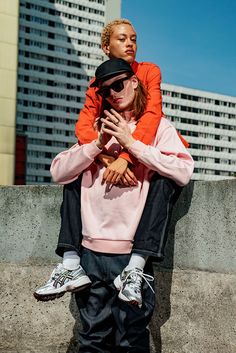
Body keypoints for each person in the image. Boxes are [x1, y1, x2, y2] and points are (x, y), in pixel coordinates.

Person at [34, 19, 189, 306]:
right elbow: (83, 128)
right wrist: (103, 154)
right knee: (75, 170)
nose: (130, 43)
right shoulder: (96, 88)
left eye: (133, 38)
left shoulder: (147, 72)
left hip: (141, 143)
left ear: (132, 83)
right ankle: (70, 263)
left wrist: (128, 157)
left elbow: (152, 114)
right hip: (109, 143)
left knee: (165, 178)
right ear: (106, 47)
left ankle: (137, 266)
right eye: (122, 39)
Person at [47, 58, 194, 353]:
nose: (113, 93)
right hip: (89, 255)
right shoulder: (98, 130)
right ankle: (69, 265)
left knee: (131, 339)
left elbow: (182, 171)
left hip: (130, 258)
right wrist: (96, 145)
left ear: (134, 82)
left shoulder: (158, 129)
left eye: (118, 84)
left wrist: (132, 143)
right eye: (105, 91)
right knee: (91, 339)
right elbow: (59, 172)